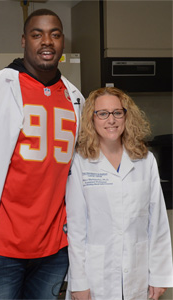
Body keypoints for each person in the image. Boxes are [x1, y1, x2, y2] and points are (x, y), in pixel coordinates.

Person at [0, 9, 84, 299]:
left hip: (55, 247)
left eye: (55, 35)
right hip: (1, 246)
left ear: (62, 43)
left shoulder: (75, 98)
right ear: (24, 40)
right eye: (37, 34)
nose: (47, 41)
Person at [65, 87, 173, 300]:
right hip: (95, 276)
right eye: (102, 113)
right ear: (92, 119)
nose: (111, 120)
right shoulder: (81, 162)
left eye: (117, 112)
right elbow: (75, 228)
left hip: (138, 272)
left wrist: (159, 275)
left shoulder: (145, 160)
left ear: (126, 116)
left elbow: (157, 223)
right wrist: (78, 282)